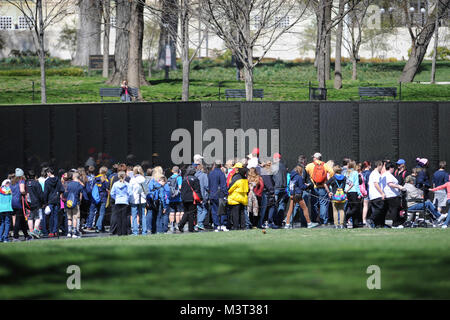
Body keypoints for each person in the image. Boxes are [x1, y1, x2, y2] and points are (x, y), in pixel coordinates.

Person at [305, 152, 334, 225]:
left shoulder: (310, 165)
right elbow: (332, 172)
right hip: (323, 187)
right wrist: (327, 181)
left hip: (314, 187)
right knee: (323, 204)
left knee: (314, 204)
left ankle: (314, 220)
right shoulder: (326, 165)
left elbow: (304, 172)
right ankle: (323, 221)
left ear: (315, 158)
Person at [380, 163, 407, 228]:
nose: (394, 170)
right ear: (391, 168)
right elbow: (390, 184)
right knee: (394, 210)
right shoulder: (388, 175)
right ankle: (395, 224)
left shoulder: (383, 175)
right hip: (392, 195)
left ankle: (397, 223)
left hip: (389, 195)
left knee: (394, 209)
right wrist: (399, 187)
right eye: (393, 168)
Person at [63, 171, 88, 238]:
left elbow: (65, 193)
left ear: (73, 177)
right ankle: (74, 232)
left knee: (69, 218)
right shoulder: (79, 185)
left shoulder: (69, 184)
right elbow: (82, 190)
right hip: (76, 202)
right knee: (75, 218)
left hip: (68, 202)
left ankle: (69, 232)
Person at [178, 166, 202, 233]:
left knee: (186, 212)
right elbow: (197, 190)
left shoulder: (184, 179)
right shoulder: (195, 179)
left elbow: (182, 189)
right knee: (191, 213)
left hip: (184, 198)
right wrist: (200, 198)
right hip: (192, 198)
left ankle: (181, 224)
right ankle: (190, 228)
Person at [227, 163, 249, 230]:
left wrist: (227, 192)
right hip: (243, 198)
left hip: (235, 198)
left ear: (237, 169)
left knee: (235, 213)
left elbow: (231, 188)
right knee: (242, 213)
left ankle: (236, 227)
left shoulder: (236, 177)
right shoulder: (245, 178)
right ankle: (243, 226)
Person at [43, 167, 64, 238]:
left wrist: (45, 202)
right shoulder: (58, 180)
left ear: (49, 173)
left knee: (50, 216)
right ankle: (55, 231)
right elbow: (61, 189)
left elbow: (46, 193)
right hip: (57, 199)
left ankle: (51, 231)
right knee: (56, 216)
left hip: (50, 200)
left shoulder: (47, 181)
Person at [110, 171, 132, 236]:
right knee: (124, 217)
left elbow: (112, 193)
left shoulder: (115, 184)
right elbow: (130, 193)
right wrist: (127, 199)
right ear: (124, 176)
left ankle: (119, 232)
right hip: (125, 201)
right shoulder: (127, 184)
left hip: (118, 201)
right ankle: (124, 232)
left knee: (118, 217)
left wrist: (116, 198)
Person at [208, 160, 228, 232]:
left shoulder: (210, 173)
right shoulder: (221, 173)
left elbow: (209, 185)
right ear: (221, 166)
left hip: (213, 194)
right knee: (222, 210)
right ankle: (222, 225)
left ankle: (216, 226)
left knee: (214, 211)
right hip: (220, 195)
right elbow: (223, 185)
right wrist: (226, 194)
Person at [25, 170, 45, 239]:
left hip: (28, 204)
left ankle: (30, 231)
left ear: (27, 176)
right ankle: (35, 230)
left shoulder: (26, 183)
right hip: (37, 203)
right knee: (38, 217)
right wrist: (43, 202)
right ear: (35, 176)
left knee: (30, 217)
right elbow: (41, 194)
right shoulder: (36, 183)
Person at [129, 166, 148, 236]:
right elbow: (146, 190)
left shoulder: (132, 179)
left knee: (134, 216)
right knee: (143, 215)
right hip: (142, 199)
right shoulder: (143, 179)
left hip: (134, 199)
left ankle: (135, 232)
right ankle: (144, 232)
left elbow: (130, 190)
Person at [367, 161, 386, 228]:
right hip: (376, 195)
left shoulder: (373, 173)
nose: (382, 168)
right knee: (380, 209)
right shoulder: (375, 173)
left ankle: (377, 225)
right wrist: (382, 193)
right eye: (382, 166)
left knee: (376, 209)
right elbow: (376, 184)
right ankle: (370, 219)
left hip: (373, 195)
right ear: (379, 165)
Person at [344, 161, 362, 228]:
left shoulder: (346, 173)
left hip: (348, 192)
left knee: (352, 207)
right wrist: (359, 193)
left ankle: (355, 223)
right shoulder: (355, 172)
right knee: (356, 208)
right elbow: (356, 184)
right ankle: (346, 217)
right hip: (354, 192)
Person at [258, 161, 275, 229]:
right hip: (266, 193)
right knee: (267, 208)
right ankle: (266, 223)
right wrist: (272, 192)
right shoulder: (265, 173)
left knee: (264, 209)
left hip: (263, 192)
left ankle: (263, 222)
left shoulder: (261, 171)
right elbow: (269, 184)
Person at [272, 153, 287, 227]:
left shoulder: (274, 166)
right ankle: (280, 221)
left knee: (274, 205)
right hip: (283, 188)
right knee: (281, 205)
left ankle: (275, 221)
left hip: (276, 188)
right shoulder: (283, 166)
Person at [168, 166, 184, 233]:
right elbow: (180, 187)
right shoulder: (179, 177)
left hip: (171, 198)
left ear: (172, 171)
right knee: (178, 212)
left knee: (171, 212)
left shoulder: (169, 178)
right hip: (178, 198)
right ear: (178, 171)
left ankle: (172, 225)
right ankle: (178, 225)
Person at [361, 161, 372, 225]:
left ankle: (363, 219)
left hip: (362, 191)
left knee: (364, 206)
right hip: (367, 191)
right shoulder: (369, 173)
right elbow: (369, 183)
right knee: (366, 206)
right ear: (368, 166)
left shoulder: (362, 173)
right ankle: (364, 219)